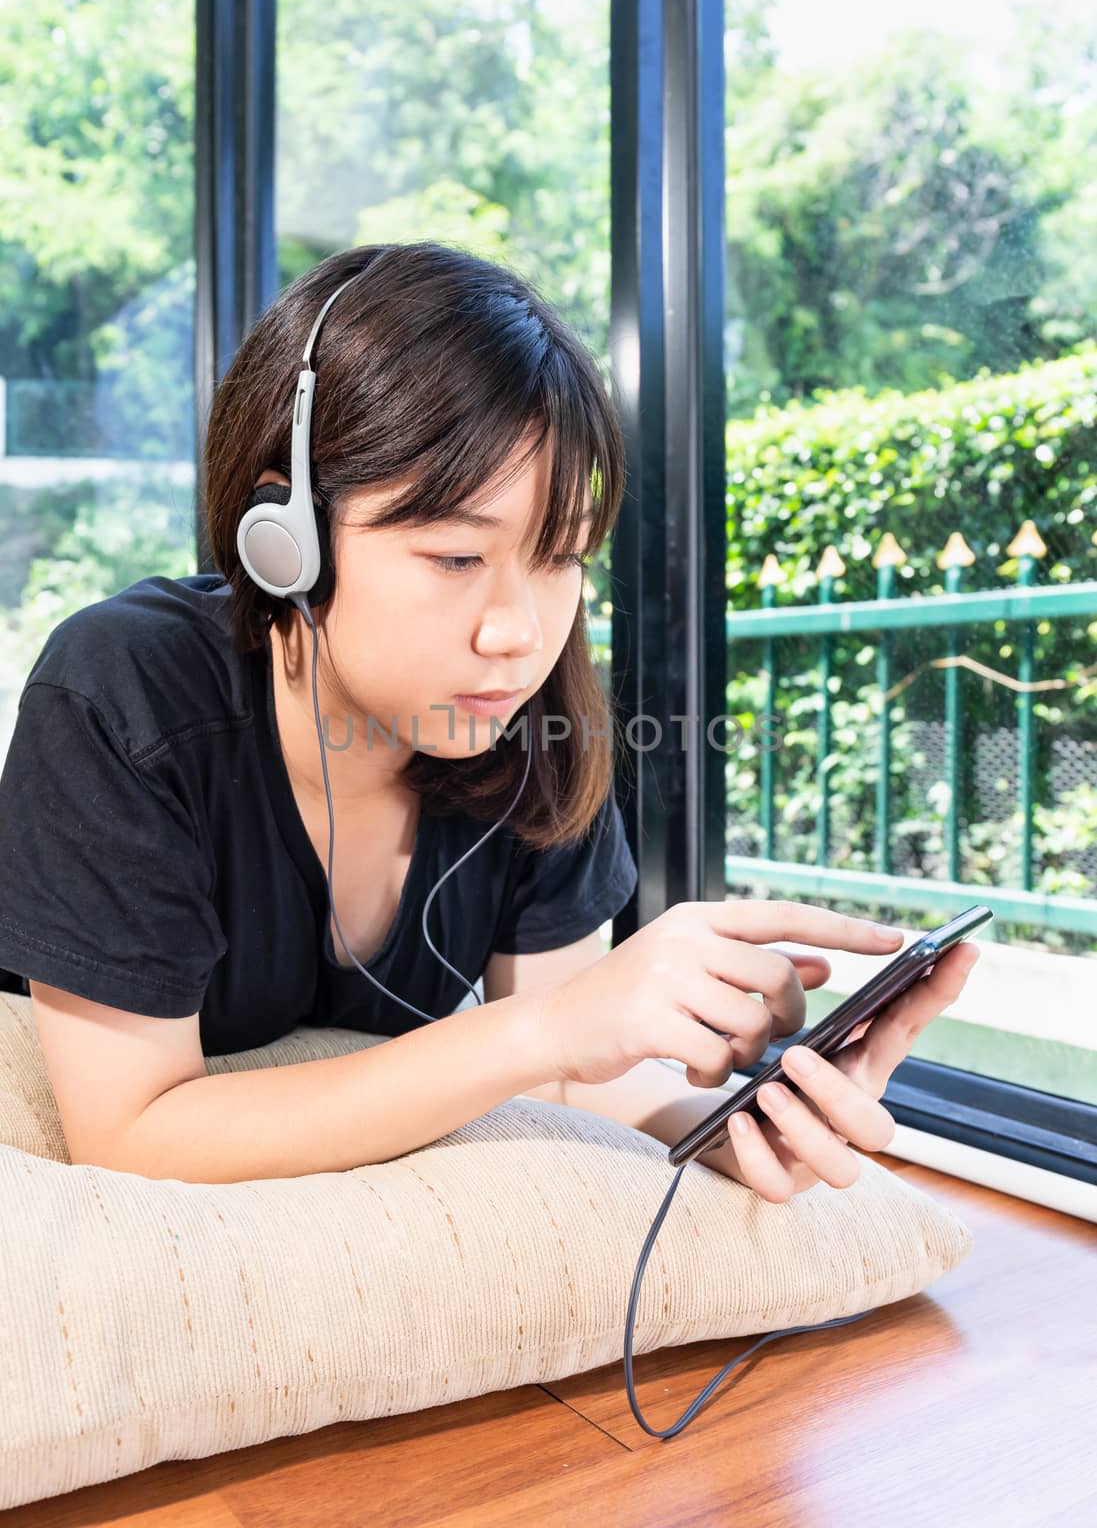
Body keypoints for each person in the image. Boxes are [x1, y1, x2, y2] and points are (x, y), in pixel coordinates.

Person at [0, 240, 979, 1194]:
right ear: (284, 540)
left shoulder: (531, 724)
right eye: (456, 558)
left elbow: (561, 1076)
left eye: (558, 557)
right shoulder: (122, 690)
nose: (518, 634)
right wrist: (538, 1033)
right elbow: (129, 1130)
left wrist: (733, 1128)